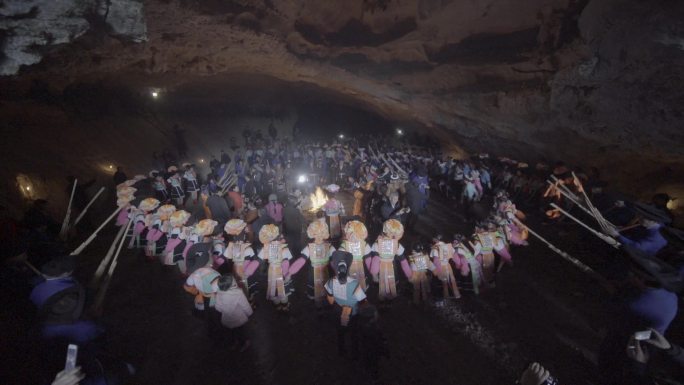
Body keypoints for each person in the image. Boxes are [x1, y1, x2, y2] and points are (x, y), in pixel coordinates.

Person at [29, 255, 101, 344]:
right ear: (66, 273)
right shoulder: (74, 291)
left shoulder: (36, 288)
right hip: (68, 332)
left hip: (42, 331)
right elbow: (85, 310)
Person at [325, 251, 367, 356]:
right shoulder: (354, 284)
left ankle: (342, 351)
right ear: (348, 268)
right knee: (354, 334)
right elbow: (363, 302)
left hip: (338, 312)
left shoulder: (330, 282)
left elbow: (330, 300)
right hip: (353, 314)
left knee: (340, 333)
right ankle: (355, 353)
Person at [290, 221, 335, 308]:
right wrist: (291, 271)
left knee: (327, 290)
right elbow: (301, 260)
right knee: (315, 291)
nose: (318, 236)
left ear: (325, 233)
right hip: (313, 273)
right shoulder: (309, 247)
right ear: (311, 234)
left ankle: (327, 304)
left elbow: (333, 261)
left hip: (326, 271)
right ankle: (319, 307)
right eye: (315, 233)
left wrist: (337, 271)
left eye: (321, 233)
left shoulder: (329, 246)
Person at [257, 224, 294, 312]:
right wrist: (287, 275)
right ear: (279, 236)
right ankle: (284, 306)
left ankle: (277, 306)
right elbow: (286, 262)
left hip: (271, 271)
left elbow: (259, 259)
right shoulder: (284, 248)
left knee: (273, 289)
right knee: (283, 290)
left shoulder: (265, 248)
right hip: (282, 272)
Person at [370, 219, 407, 307]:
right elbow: (403, 260)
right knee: (391, 283)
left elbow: (375, 259)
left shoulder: (376, 244)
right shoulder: (397, 245)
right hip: (391, 268)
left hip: (381, 270)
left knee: (381, 285)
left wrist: (374, 275)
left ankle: (382, 301)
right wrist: (409, 273)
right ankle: (388, 300)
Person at [214, 275, 253, 352]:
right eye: (234, 281)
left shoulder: (219, 293)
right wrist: (249, 313)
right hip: (238, 319)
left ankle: (233, 344)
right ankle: (244, 344)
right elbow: (245, 305)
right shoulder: (238, 293)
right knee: (240, 332)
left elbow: (217, 307)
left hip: (227, 319)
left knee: (230, 333)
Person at [223, 219, 259, 298]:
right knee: (245, 286)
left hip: (234, 269)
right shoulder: (248, 248)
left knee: (237, 284)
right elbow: (253, 260)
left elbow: (227, 257)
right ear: (244, 236)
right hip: (245, 272)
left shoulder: (231, 246)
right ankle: (247, 300)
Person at [339, 220, 373, 291]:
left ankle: (362, 290)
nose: (354, 238)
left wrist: (370, 267)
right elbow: (341, 257)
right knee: (350, 281)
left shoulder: (364, 244)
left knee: (362, 279)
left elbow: (368, 258)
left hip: (361, 266)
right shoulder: (345, 245)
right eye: (351, 234)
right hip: (349, 266)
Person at [430, 234, 461, 300]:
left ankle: (446, 296)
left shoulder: (434, 248)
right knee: (452, 280)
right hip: (448, 265)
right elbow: (453, 253)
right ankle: (457, 294)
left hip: (441, 266)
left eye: (434, 238)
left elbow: (434, 259)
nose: (433, 239)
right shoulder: (448, 245)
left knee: (444, 282)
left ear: (436, 239)